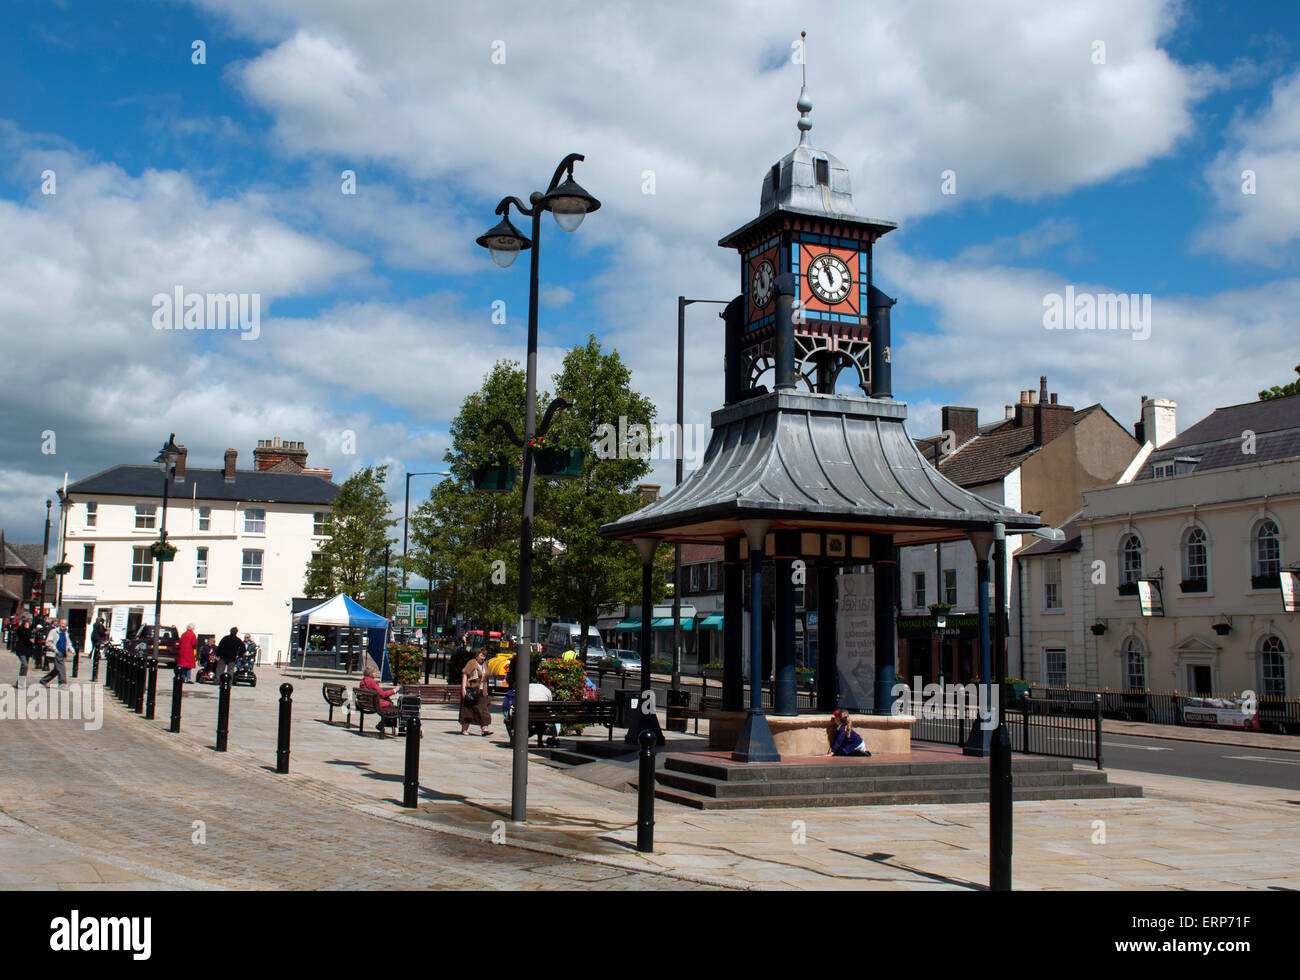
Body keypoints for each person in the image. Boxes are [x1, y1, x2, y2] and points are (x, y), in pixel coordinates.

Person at [459, 648, 493, 736]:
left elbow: (486, 678)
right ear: (477, 655)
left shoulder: (485, 664)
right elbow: (465, 674)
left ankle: (484, 729)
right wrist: (463, 688)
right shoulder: (472, 663)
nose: (483, 658)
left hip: (482, 691)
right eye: (481, 655)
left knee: (484, 710)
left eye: (484, 656)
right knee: (468, 710)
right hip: (472, 690)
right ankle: (464, 729)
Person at [359, 662, 398, 735]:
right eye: (374, 672)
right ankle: (383, 725)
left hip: (367, 703)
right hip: (375, 703)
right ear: (371, 674)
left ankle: (383, 724)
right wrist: (394, 690)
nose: (376, 674)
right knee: (392, 707)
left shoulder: (363, 681)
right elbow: (382, 694)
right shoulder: (372, 682)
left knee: (389, 704)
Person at [40, 619, 71, 687]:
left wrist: (72, 650)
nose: (63, 625)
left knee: (57, 669)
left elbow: (68, 643)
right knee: (62, 668)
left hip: (62, 653)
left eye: (65, 624)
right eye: (62, 623)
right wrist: (54, 649)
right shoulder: (54, 631)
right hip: (56, 652)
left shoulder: (66, 633)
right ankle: (62, 683)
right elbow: (48, 642)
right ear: (59, 624)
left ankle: (44, 680)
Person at [12, 613, 35, 687]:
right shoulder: (21, 628)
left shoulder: (31, 627)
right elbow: (28, 637)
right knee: (24, 664)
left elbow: (32, 637)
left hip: (28, 649)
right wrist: (27, 629)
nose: (30, 621)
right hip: (21, 649)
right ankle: (20, 683)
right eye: (29, 620)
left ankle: (20, 682)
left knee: (26, 666)